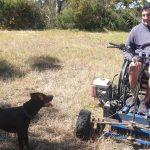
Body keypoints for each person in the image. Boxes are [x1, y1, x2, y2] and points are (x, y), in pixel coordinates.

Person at [125, 3, 150, 114]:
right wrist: (132, 58)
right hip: (139, 59)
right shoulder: (135, 30)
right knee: (132, 67)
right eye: (144, 15)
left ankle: (145, 101)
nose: (146, 18)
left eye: (148, 15)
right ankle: (135, 99)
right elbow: (127, 49)